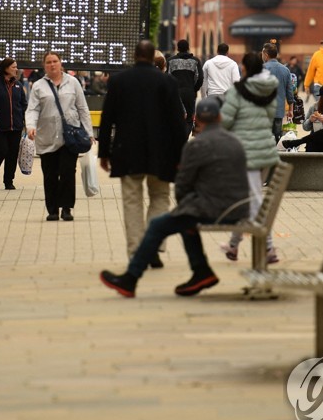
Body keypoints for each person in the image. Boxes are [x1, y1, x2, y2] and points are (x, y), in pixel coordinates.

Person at [98, 98, 250, 298]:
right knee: (185, 218)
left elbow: (182, 187)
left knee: (158, 225)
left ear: (197, 120)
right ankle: (201, 272)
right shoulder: (235, 142)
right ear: (220, 117)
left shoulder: (197, 146)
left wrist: (185, 204)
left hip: (215, 209)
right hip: (240, 208)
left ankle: (130, 279)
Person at [98, 41, 187, 262]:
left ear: (135, 56)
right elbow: (177, 123)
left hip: (127, 152)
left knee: (132, 201)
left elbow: (107, 117)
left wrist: (104, 153)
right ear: (152, 57)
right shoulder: (168, 81)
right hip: (162, 153)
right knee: (160, 198)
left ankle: (136, 250)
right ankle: (154, 246)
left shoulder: (119, 81)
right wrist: (180, 156)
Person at [220, 52, 281, 264]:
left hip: (246, 153)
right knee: (247, 200)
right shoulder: (269, 89)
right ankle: (233, 246)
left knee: (254, 201)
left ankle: (269, 248)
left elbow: (225, 121)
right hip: (265, 150)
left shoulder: (237, 91)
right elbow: (270, 116)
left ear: (245, 68)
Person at [26, 51, 94, 222]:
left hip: (69, 137)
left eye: (55, 61)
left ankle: (66, 208)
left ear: (60, 63)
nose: (52, 64)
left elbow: (82, 108)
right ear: (44, 65)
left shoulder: (73, 83)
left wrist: (89, 132)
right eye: (48, 62)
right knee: (49, 175)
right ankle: (52, 209)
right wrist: (31, 126)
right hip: (47, 136)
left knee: (67, 173)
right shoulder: (39, 86)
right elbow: (33, 109)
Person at [0, 58, 27, 190]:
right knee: (0, 151)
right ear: (6, 68)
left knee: (12, 154)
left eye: (16, 67)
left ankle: (8, 181)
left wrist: (26, 122)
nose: (16, 69)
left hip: (16, 126)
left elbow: (23, 105)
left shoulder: (18, 86)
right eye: (13, 67)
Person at [166, 38, 203, 134]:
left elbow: (167, 77)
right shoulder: (195, 61)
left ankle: (177, 138)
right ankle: (185, 137)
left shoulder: (170, 61)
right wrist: (194, 89)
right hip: (189, 92)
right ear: (188, 48)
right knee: (189, 118)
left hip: (175, 93)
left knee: (175, 116)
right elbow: (200, 78)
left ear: (177, 48)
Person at [262, 42, 295, 142]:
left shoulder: (261, 69)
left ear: (266, 55)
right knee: (277, 136)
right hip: (279, 110)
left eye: (262, 53)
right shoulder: (286, 70)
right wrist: (291, 110)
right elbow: (290, 93)